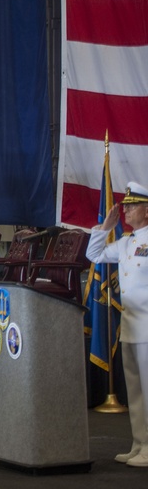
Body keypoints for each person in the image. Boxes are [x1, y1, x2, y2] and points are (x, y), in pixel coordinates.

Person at [88, 182, 148, 468]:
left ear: (147, 211)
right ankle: (140, 443)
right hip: (131, 325)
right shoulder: (126, 242)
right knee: (135, 391)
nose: (125, 210)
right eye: (125, 206)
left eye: (132, 206)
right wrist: (104, 227)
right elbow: (95, 255)